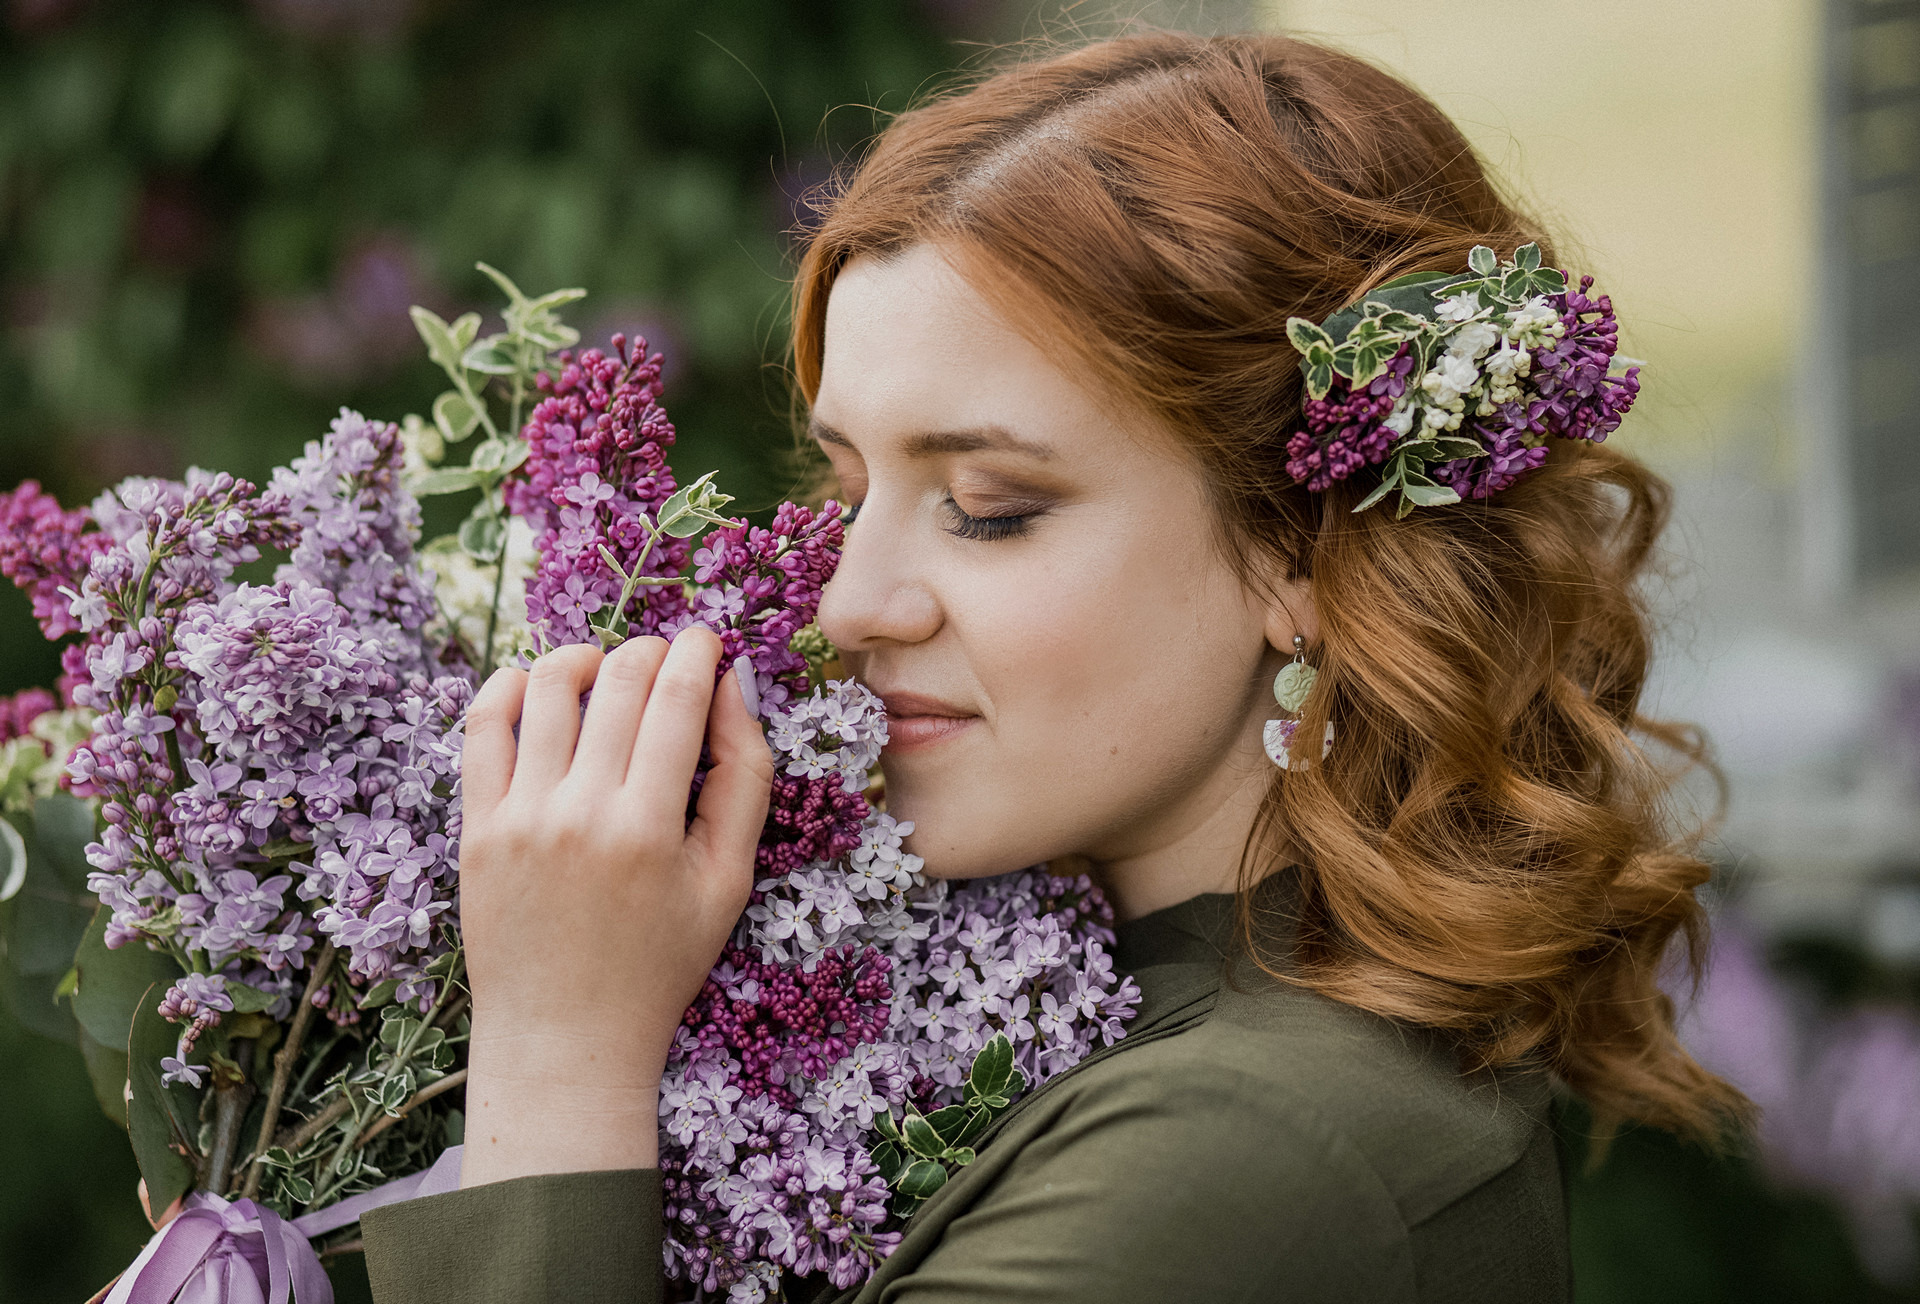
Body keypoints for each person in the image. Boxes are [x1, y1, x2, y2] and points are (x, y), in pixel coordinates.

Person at [361, 30, 1749, 1303]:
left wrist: (553, 1058)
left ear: (1300, 554)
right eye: (846, 485)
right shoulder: (1081, 1020)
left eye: (990, 507)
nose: (847, 603)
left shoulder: (1246, 1153)